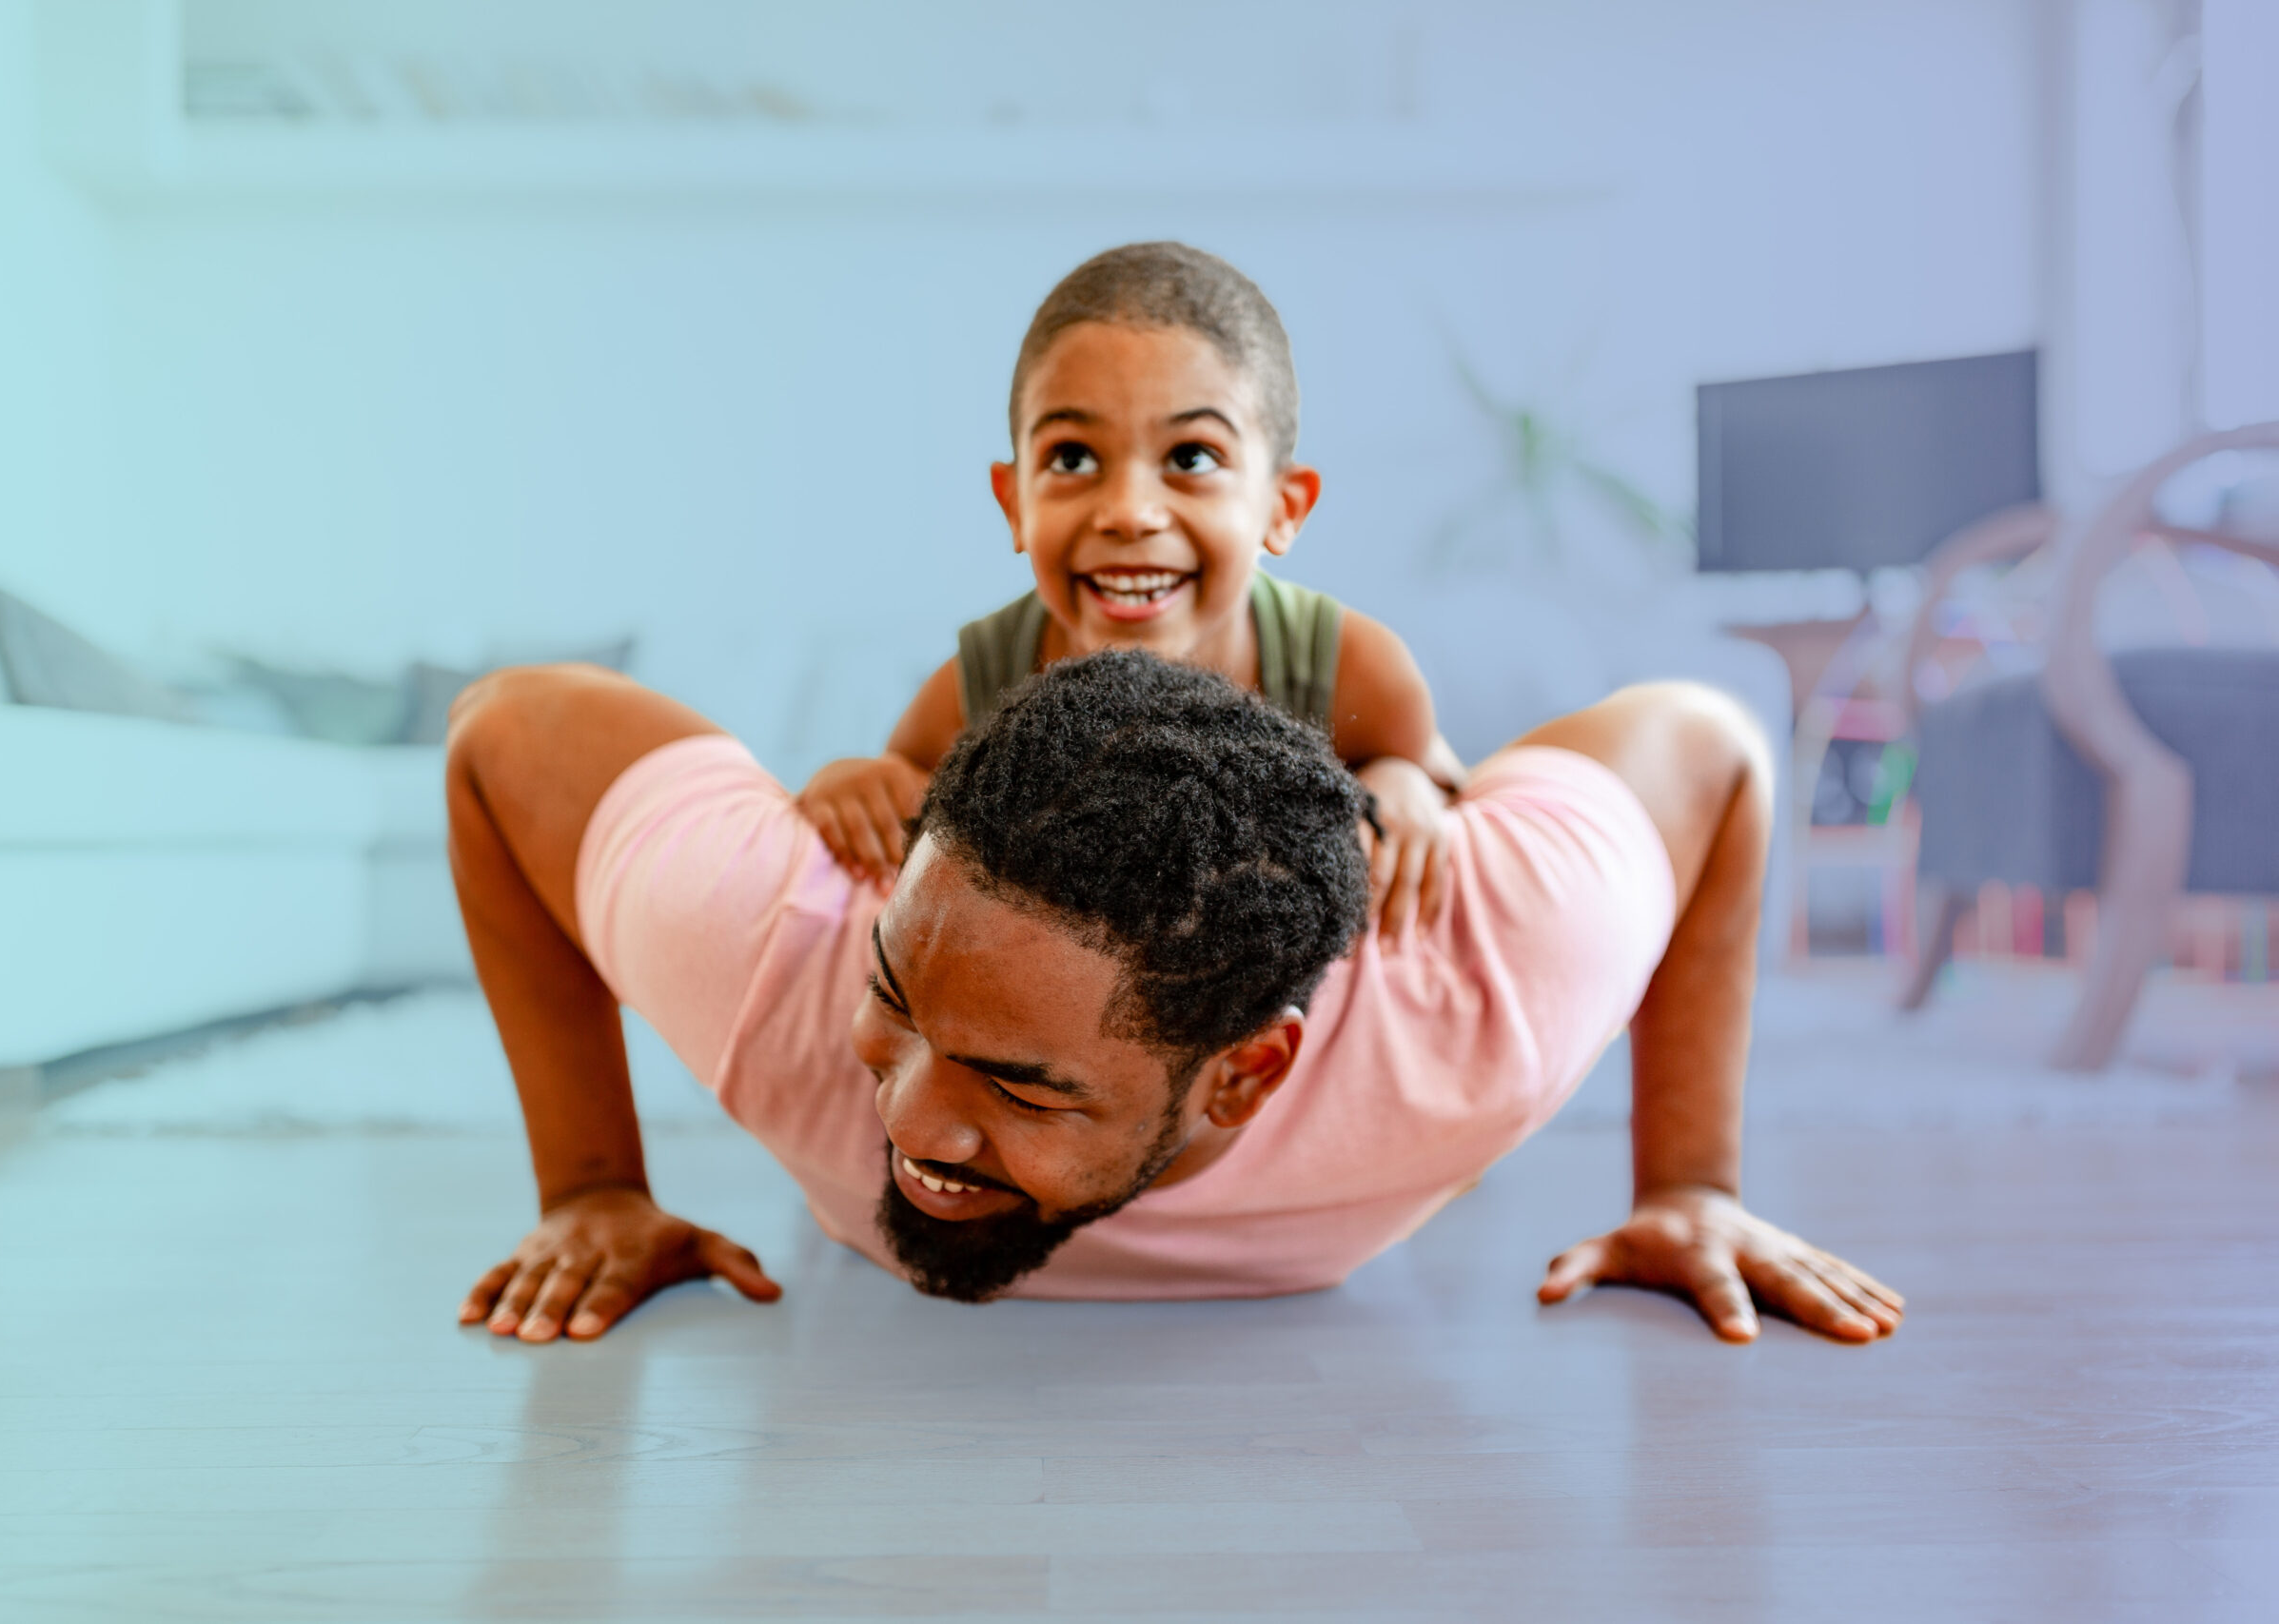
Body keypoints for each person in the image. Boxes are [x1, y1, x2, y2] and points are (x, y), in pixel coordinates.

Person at [446, 649, 1903, 1344]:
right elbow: (501, 729)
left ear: (1248, 1074)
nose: (901, 1109)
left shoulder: (1477, 992)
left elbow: (1713, 743)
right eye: (899, 1000)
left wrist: (1691, 1179)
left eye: (1019, 1082)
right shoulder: (776, 955)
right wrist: (591, 1185)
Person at [794, 241, 1469, 946]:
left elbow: (1445, 778)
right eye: (1073, 457)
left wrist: (1405, 782)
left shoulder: (1350, 670)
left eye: (1191, 457)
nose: (1128, 511)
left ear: (1284, 505)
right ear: (1014, 501)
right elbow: (902, 786)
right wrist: (851, 781)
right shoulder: (984, 687)